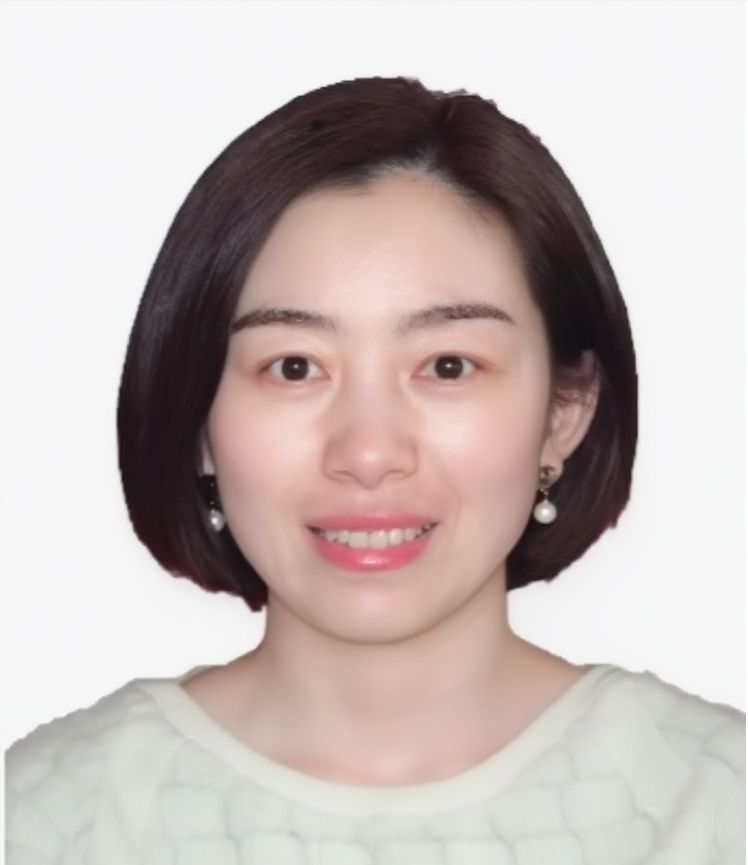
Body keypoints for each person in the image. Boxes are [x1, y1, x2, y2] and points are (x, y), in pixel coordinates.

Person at [5, 75, 744, 864]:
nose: (366, 453)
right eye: (294, 367)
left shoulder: (714, 805)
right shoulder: (51, 818)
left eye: (448, 365)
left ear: (563, 412)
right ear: (199, 422)